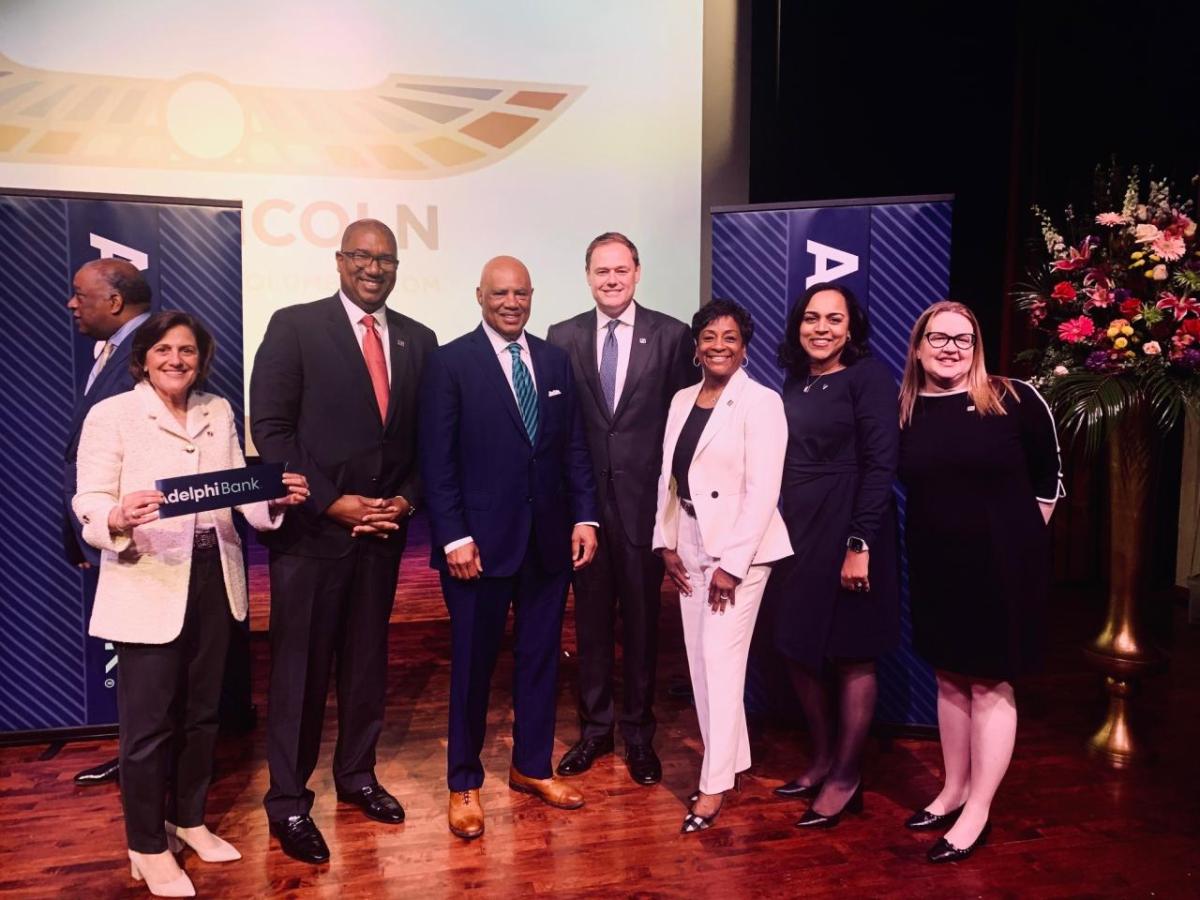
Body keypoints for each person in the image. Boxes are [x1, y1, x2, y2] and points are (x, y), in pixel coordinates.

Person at [73, 311, 308, 897]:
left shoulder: (218, 410)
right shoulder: (114, 414)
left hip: (215, 574)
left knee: (204, 716)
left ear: (200, 358)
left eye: (187, 351)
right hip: (149, 575)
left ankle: (189, 819)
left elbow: (237, 494)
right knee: (148, 728)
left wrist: (273, 499)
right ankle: (147, 846)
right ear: (144, 357)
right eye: (164, 350)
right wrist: (115, 516)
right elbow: (90, 497)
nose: (176, 360)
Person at [249, 219, 437, 864]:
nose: (374, 268)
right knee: (299, 676)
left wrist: (406, 500)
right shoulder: (294, 325)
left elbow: (425, 441)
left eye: (385, 258)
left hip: (384, 536)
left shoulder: (419, 339)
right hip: (311, 538)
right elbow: (271, 430)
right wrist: (332, 502)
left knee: (365, 669)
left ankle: (356, 775)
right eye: (362, 256)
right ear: (339, 260)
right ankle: (289, 803)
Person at [420, 255, 599, 841]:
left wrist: (585, 518)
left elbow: (571, 449)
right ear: (479, 295)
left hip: (547, 543)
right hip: (477, 548)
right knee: (472, 667)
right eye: (500, 293)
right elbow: (437, 460)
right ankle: (463, 782)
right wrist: (453, 535)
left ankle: (530, 767)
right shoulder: (450, 362)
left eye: (521, 293)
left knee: (541, 660)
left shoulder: (553, 360)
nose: (511, 303)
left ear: (532, 296)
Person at [897, 301, 1062, 863]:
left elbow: (1050, 477)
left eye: (962, 338)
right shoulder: (907, 406)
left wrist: (1018, 542)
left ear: (977, 345)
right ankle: (952, 789)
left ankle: (978, 810)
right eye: (937, 337)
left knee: (991, 683)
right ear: (918, 346)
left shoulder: (1014, 398)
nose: (950, 347)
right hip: (936, 562)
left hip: (1002, 567)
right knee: (949, 678)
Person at [546, 232, 696, 785]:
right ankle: (594, 730)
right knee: (588, 625)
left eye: (621, 270)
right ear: (587, 276)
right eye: (601, 271)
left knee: (639, 625)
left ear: (637, 273)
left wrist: (677, 514)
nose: (611, 279)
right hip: (583, 510)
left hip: (645, 510)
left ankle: (637, 733)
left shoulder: (672, 336)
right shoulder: (561, 336)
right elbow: (559, 428)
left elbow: (683, 428)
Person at [653, 298, 792, 833]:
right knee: (699, 663)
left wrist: (731, 565)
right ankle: (730, 759)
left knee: (720, 662)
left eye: (729, 337)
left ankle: (714, 785)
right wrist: (665, 542)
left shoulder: (762, 403)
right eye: (709, 336)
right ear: (696, 346)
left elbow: (762, 492)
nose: (718, 345)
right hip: (688, 540)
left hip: (740, 551)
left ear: (744, 346)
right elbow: (670, 478)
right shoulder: (683, 399)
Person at [766, 283, 900, 829]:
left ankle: (847, 774)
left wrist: (859, 543)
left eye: (833, 319)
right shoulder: (795, 380)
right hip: (797, 527)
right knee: (796, 647)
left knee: (851, 652)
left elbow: (881, 463)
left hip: (849, 523)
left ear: (851, 328)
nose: (821, 328)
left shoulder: (867, 377)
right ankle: (821, 758)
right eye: (811, 318)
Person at [63, 259, 152, 787]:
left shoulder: (145, 353)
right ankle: (138, 757)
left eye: (80, 294)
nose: (72, 304)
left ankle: (150, 765)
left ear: (115, 301)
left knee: (149, 668)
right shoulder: (112, 351)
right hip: (109, 529)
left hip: (143, 540)